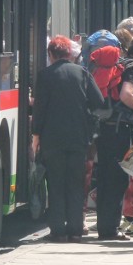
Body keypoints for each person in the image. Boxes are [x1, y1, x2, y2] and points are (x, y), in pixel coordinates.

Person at [31, 35, 104, 243]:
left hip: (52, 139)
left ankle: (57, 231)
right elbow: (98, 101)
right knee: (75, 184)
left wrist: (36, 136)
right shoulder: (82, 72)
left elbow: (40, 109)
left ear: (51, 54)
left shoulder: (45, 75)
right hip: (78, 138)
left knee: (55, 184)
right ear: (69, 54)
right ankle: (75, 230)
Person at [95, 34, 133, 241]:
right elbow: (126, 95)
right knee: (117, 179)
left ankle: (104, 226)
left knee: (104, 177)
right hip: (121, 130)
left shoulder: (120, 64)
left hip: (104, 128)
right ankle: (110, 229)